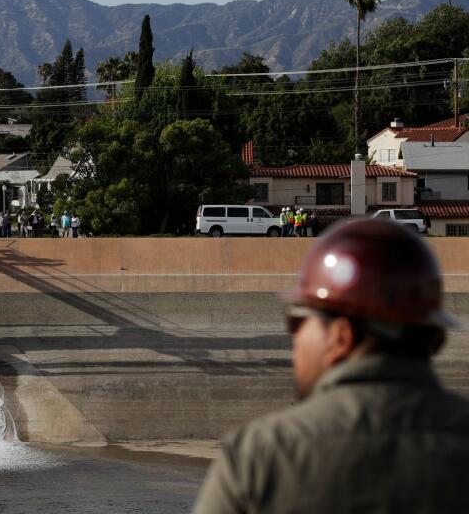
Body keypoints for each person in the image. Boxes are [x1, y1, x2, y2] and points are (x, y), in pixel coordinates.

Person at [194, 219, 469, 513]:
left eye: (297, 321)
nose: (293, 338)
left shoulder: (258, 459)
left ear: (341, 337)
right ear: (433, 338)